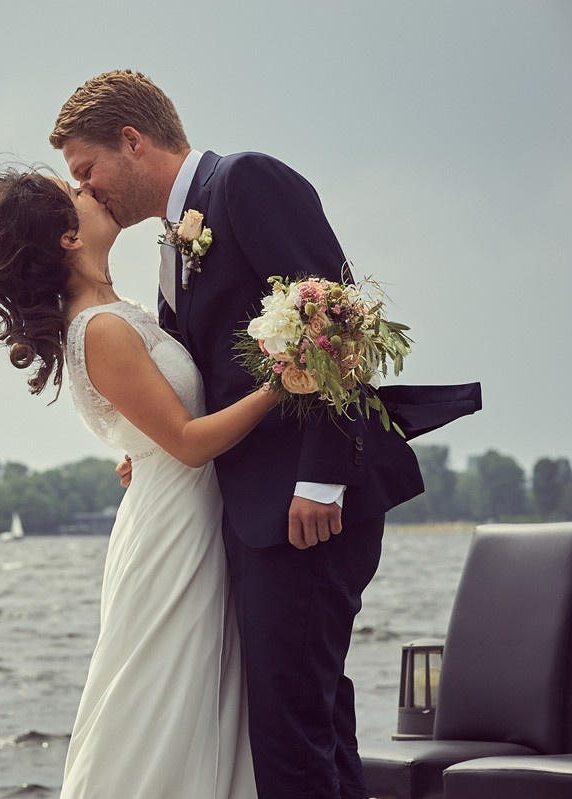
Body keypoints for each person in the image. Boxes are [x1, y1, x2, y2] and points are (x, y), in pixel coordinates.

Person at [49, 70, 424, 798]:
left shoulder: (245, 182)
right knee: (306, 716)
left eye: (87, 172)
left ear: (132, 140)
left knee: (287, 736)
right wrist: (148, 449)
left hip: (307, 507)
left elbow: (335, 318)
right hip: (246, 514)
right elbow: (209, 379)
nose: (88, 192)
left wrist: (321, 478)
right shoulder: (173, 241)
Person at [0, 166, 280, 797]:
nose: (92, 192)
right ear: (68, 238)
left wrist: (138, 450)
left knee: (191, 700)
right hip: (174, 531)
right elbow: (186, 443)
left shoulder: (115, 313)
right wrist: (280, 383)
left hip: (181, 514)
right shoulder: (100, 329)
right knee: (162, 700)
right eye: (76, 194)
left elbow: (156, 430)